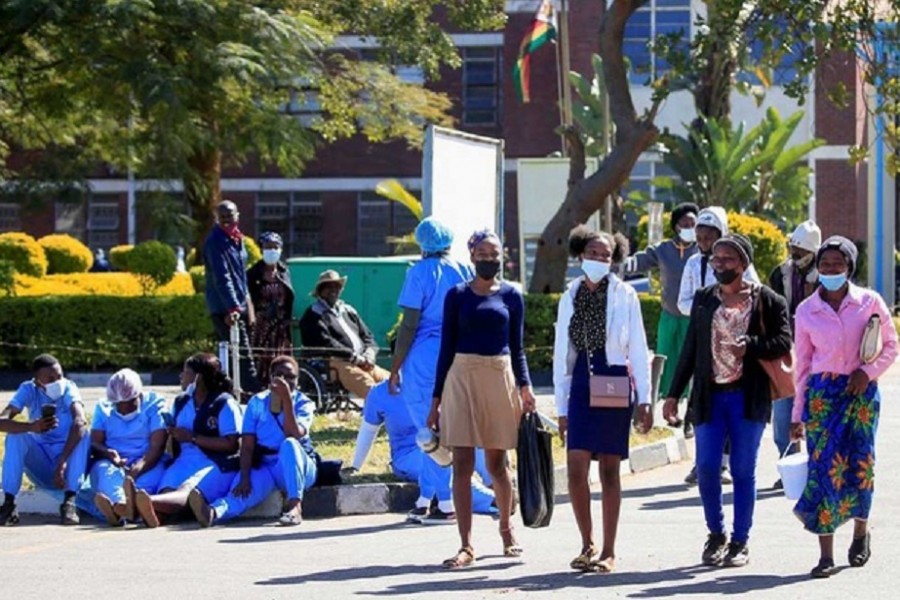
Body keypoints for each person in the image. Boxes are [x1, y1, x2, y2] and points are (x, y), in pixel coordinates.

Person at [664, 234, 791, 568]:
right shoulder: (705, 299)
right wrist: (673, 394)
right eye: (716, 259)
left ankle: (740, 540)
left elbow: (782, 342)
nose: (720, 264)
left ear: (744, 263)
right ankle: (716, 533)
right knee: (706, 469)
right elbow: (691, 347)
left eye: (728, 259)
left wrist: (750, 345)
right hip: (709, 398)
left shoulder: (768, 301)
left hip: (748, 399)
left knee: (742, 470)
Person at [428, 229, 537, 570]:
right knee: (461, 463)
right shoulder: (456, 295)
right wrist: (436, 399)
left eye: (495, 254)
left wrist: (526, 387)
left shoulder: (512, 295)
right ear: (471, 254)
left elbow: (517, 348)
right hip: (460, 377)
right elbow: (446, 347)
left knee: (496, 465)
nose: (490, 260)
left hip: (499, 375)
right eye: (484, 253)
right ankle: (465, 545)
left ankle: (507, 529)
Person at [790, 236, 898, 578]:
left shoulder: (870, 302)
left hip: (861, 395)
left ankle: (861, 532)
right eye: (825, 265)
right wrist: (797, 415)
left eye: (837, 264)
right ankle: (825, 554)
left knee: (860, 465)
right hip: (823, 397)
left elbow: (891, 346)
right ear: (817, 269)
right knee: (824, 471)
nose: (831, 270)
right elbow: (802, 367)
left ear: (849, 267)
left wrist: (867, 373)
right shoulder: (807, 311)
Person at [553, 226, 654, 573]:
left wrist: (645, 399)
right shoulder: (570, 295)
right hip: (581, 381)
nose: (598, 259)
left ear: (615, 260)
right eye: (593, 253)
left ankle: (608, 551)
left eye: (605, 255)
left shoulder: (626, 295)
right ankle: (587, 543)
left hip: (613, 380)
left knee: (610, 468)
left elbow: (638, 349)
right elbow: (561, 354)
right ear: (581, 254)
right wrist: (561, 407)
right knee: (576, 467)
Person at [388, 217, 472, 523]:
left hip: (424, 356)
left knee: (429, 431)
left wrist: (395, 367)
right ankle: (425, 498)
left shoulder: (418, 272)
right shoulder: (464, 269)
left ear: (422, 243)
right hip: (458, 353)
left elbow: (409, 324)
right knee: (446, 426)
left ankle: (446, 503)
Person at [677, 206, 759, 485]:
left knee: (729, 403)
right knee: (703, 404)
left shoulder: (739, 262)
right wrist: (708, 311)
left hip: (735, 343)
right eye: (699, 237)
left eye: (709, 236)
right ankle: (702, 462)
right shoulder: (692, 264)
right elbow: (683, 301)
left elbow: (754, 295)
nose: (704, 243)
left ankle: (723, 463)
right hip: (704, 340)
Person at [189, 356, 318, 527]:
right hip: (267, 465)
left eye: (291, 377)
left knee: (289, 445)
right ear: (271, 378)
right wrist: (244, 477)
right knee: (241, 491)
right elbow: (248, 445)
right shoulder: (257, 403)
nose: (285, 380)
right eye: (280, 375)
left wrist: (286, 399)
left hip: (298, 467)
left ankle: (295, 507)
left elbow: (293, 433)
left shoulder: (303, 403)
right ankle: (213, 512)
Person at [350, 381, 498, 515]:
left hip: (443, 441)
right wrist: (355, 466)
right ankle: (491, 500)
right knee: (442, 468)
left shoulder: (435, 383)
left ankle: (497, 487)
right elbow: (368, 431)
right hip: (408, 455)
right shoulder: (380, 393)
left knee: (476, 446)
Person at [130, 353, 243, 528]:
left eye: (186, 372)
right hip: (184, 459)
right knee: (168, 490)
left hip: (215, 462)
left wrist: (192, 438)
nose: (181, 376)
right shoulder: (181, 402)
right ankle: (152, 513)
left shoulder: (224, 403)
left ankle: (142, 504)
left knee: (187, 491)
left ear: (198, 378)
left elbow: (231, 444)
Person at [622, 203, 699, 437]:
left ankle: (689, 417)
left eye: (693, 224)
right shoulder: (663, 249)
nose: (689, 228)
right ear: (675, 226)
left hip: (693, 318)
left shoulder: (703, 251)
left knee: (692, 366)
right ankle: (656, 412)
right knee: (664, 364)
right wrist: (614, 263)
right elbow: (639, 261)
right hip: (669, 316)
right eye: (685, 224)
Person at [0, 354, 90, 525]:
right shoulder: (28, 389)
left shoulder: (69, 389)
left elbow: (79, 420)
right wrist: (31, 427)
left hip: (66, 466)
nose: (57, 382)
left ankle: (70, 502)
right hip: (41, 463)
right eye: (50, 378)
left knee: (83, 432)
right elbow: (1, 421)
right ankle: (9, 503)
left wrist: (62, 462)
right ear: (37, 381)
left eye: (59, 376)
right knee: (15, 437)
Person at [767, 219, 821, 487]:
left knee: (815, 413)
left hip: (817, 355)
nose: (794, 257)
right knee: (783, 413)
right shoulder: (781, 274)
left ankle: (815, 469)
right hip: (786, 352)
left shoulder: (825, 276)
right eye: (792, 250)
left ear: (813, 253)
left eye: (800, 253)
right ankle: (789, 465)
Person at [90, 369, 168, 526]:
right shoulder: (102, 408)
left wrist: (137, 470)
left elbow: (157, 445)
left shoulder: (154, 404)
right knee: (105, 472)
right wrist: (108, 453)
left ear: (138, 395)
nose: (124, 410)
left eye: (130, 405)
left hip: (148, 461)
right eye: (119, 406)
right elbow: (95, 442)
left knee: (143, 488)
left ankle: (124, 510)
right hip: (114, 462)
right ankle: (123, 508)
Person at [299, 269, 389, 402]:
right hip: (336, 362)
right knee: (370, 388)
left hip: (363, 360)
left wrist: (369, 354)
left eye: (336, 286)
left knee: (392, 381)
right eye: (329, 286)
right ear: (320, 291)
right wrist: (353, 357)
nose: (333, 290)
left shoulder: (348, 310)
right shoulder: (313, 314)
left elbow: (368, 336)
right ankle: (382, 412)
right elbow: (325, 343)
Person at [204, 200, 260, 397]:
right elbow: (222, 277)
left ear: (238, 215)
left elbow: (240, 276)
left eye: (230, 215)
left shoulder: (238, 239)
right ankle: (251, 394)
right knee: (240, 351)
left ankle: (238, 391)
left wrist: (248, 305)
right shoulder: (215, 241)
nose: (227, 219)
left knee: (242, 351)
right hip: (225, 307)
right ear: (217, 218)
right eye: (223, 216)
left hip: (240, 303)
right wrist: (233, 308)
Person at [247, 231, 295, 385]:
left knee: (281, 358)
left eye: (275, 247)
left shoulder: (283, 271)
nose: (272, 251)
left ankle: (282, 386)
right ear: (262, 250)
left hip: (281, 325)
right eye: (268, 247)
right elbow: (249, 297)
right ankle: (261, 387)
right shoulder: (253, 274)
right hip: (262, 324)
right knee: (262, 358)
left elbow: (288, 296)